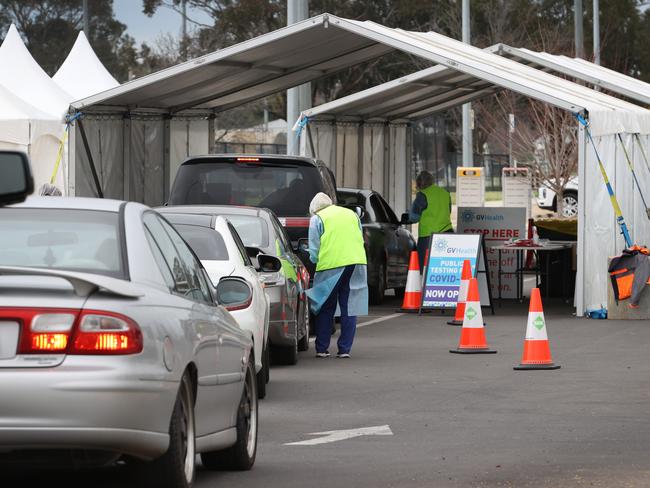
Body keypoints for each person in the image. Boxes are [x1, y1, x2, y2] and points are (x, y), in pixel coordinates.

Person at [306, 193, 368, 358]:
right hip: (356, 263)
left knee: (325, 305)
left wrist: (313, 259)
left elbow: (314, 248)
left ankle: (322, 348)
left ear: (314, 208)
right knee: (349, 306)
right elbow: (360, 238)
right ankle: (344, 349)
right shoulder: (352, 215)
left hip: (330, 265)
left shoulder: (317, 218)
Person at [408, 171, 453, 270]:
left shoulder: (422, 195)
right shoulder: (445, 193)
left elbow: (414, 217)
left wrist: (408, 217)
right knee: (444, 265)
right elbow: (449, 211)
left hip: (428, 236)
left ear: (419, 184)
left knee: (425, 267)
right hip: (448, 232)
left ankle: (425, 285)